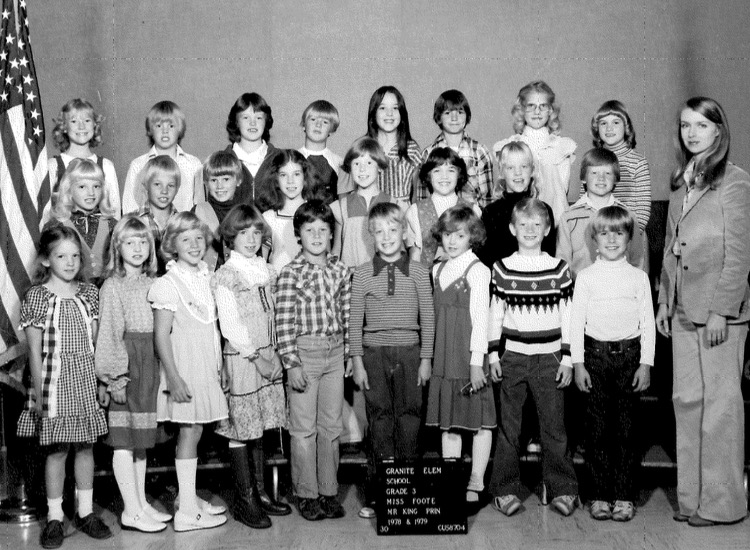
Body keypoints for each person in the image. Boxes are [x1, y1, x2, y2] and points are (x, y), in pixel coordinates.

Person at [656, 96, 750, 527]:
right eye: (685, 126)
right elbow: (672, 249)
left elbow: (739, 255)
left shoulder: (734, 181)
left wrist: (721, 311)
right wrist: (663, 300)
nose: (691, 133)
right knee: (687, 402)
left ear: (718, 130)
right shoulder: (682, 180)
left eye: (700, 125)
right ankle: (692, 500)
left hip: (718, 315)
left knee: (721, 409)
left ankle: (723, 505)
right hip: (680, 309)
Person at [17, 225, 111, 548]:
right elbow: (33, 350)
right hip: (53, 384)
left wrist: (101, 381)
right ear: (45, 259)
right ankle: (55, 516)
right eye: (61, 256)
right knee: (57, 451)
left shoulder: (89, 294)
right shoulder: (38, 297)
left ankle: (86, 512)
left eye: (75, 256)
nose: (70, 262)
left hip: (84, 380)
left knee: (85, 447)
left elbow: (98, 343)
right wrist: (39, 393)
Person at [488, 198, 578, 518]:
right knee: (510, 428)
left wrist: (568, 358)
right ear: (513, 229)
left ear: (547, 229)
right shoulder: (501, 268)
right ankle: (504, 489)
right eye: (523, 224)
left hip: (551, 357)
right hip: (512, 357)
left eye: (537, 224)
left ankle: (563, 489)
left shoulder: (559, 269)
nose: (529, 230)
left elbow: (569, 316)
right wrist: (492, 354)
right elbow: (495, 313)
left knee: (554, 427)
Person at [571, 206, 655, 522]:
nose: (611, 239)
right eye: (604, 233)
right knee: (596, 430)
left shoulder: (639, 277)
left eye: (618, 232)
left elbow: (647, 323)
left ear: (629, 238)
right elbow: (576, 322)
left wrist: (645, 364)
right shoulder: (586, 278)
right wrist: (578, 364)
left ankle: (623, 496)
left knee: (626, 430)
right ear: (594, 238)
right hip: (594, 356)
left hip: (630, 357)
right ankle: (599, 494)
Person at [350, 202, 435, 517]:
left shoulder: (418, 272)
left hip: (410, 353)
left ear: (404, 232)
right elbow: (354, 321)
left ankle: (408, 489)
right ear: (371, 235)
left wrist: (426, 358)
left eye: (393, 229)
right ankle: (379, 493)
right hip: (374, 355)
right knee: (380, 419)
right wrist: (357, 361)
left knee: (410, 417)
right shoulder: (361, 274)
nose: (386, 237)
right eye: (379, 231)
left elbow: (428, 318)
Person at [149, 212, 229, 531]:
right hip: (184, 366)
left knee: (196, 431)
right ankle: (185, 514)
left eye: (199, 238)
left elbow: (214, 328)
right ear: (172, 245)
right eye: (186, 240)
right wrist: (174, 377)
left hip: (206, 363)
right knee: (188, 431)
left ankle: (188, 500)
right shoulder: (168, 284)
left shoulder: (207, 277)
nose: (194, 245)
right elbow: (160, 335)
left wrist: (220, 364)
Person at [212, 204, 290, 529]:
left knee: (260, 427)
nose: (251, 238)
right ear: (231, 236)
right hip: (246, 359)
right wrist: (259, 358)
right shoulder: (226, 275)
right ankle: (245, 500)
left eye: (256, 232)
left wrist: (275, 355)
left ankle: (260, 492)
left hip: (269, 355)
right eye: (243, 232)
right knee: (242, 428)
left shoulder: (268, 271)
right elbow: (230, 326)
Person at [274, 200, 351, 522]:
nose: (317, 236)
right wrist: (292, 364)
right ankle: (306, 494)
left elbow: (347, 314)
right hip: (305, 354)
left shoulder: (340, 270)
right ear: (298, 235)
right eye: (309, 230)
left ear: (332, 234)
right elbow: (283, 322)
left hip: (335, 353)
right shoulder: (290, 274)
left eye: (323, 229)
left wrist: (348, 353)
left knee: (330, 426)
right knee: (303, 429)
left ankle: (328, 491)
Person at [95, 215, 169, 533]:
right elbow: (110, 333)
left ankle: (140, 503)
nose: (137, 248)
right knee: (123, 441)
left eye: (143, 242)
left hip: (150, 363)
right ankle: (130, 509)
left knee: (141, 441)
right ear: (118, 247)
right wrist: (115, 378)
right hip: (127, 364)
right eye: (130, 242)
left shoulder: (156, 284)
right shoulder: (113, 286)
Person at [425, 205, 495, 506]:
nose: (452, 241)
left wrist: (476, 362)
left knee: (478, 421)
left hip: (468, 357)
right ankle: (450, 478)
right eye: (447, 235)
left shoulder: (478, 270)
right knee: (449, 422)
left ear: (472, 237)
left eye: (460, 235)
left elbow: (482, 319)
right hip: (443, 355)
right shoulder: (436, 269)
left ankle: (476, 480)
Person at [494, 81, 576, 225]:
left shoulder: (561, 147)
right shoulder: (511, 146)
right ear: (521, 109)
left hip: (554, 220)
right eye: (531, 106)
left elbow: (563, 188)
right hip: (520, 221)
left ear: (551, 110)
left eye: (543, 106)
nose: (537, 112)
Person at [557, 148, 646, 280]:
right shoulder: (569, 217)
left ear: (616, 178)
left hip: (620, 291)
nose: (601, 178)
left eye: (608, 173)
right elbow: (562, 261)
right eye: (594, 172)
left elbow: (638, 259)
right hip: (581, 292)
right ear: (583, 178)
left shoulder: (628, 215)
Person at [477, 141, 556, 268]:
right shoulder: (490, 212)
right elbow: (485, 258)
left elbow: (549, 254)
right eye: (510, 167)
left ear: (532, 170)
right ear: (502, 172)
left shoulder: (544, 210)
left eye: (524, 166)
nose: (518, 172)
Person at [416, 89, 494, 209]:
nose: (454, 118)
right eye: (447, 113)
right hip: (438, 220)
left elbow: (487, 199)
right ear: (439, 117)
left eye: (460, 112)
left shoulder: (479, 151)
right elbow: (423, 200)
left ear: (467, 116)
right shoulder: (428, 153)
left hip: (471, 220)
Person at [122, 100, 203, 213]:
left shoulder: (193, 164)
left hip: (184, 228)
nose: (165, 131)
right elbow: (129, 207)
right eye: (159, 125)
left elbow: (200, 205)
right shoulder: (138, 165)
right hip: (147, 228)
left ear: (180, 129)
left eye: (171, 126)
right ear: (150, 129)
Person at [46, 158, 117, 286]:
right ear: (68, 189)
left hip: (109, 293)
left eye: (96, 186)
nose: (91, 193)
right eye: (82, 186)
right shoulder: (56, 225)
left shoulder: (113, 224)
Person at [406, 147, 481, 265]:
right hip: (426, 280)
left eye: (451, 170)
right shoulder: (414, 211)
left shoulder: (473, 210)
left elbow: (475, 253)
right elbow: (414, 256)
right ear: (428, 175)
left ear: (459, 174)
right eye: (437, 171)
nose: (444, 176)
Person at [585, 100, 652, 230]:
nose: (609, 128)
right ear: (597, 129)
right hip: (596, 233)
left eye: (616, 122)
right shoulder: (591, 162)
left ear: (626, 127)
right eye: (603, 123)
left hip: (629, 233)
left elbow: (642, 213)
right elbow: (584, 204)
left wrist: (625, 236)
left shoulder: (638, 163)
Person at [49, 98, 121, 217]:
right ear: (64, 127)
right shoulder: (53, 165)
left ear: (95, 125)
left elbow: (115, 210)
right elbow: (46, 211)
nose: (81, 126)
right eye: (74, 121)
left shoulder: (106, 165)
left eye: (87, 120)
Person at [332, 137, 392, 268]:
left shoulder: (394, 204)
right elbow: (336, 250)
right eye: (357, 163)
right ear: (349, 168)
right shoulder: (340, 207)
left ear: (380, 167)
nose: (362, 169)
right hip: (351, 281)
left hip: (383, 281)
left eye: (369, 163)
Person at [263, 149, 325, 272]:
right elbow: (261, 261)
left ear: (305, 177)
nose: (290, 181)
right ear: (275, 179)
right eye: (283, 175)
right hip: (280, 284)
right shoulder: (269, 218)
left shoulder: (317, 213)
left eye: (296, 174)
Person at [365, 85, 421, 210]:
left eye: (395, 108)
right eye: (383, 108)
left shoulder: (412, 150)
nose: (389, 113)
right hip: (371, 214)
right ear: (373, 113)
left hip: (402, 216)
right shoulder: (364, 148)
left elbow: (415, 197)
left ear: (402, 114)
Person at [223, 92, 281, 211]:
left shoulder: (280, 159)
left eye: (259, 117)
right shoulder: (222, 161)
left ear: (266, 122)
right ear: (236, 122)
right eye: (245, 117)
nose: (253, 123)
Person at [193, 151, 244, 271]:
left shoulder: (246, 213)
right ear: (206, 183)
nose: (219, 186)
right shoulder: (198, 211)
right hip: (205, 278)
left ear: (238, 180)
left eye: (226, 179)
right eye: (214, 180)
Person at [136, 155, 181, 275]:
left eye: (170, 185)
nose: (164, 191)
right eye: (157, 184)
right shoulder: (134, 222)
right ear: (146, 185)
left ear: (177, 188)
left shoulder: (182, 223)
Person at [298, 99, 342, 203]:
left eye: (325, 122)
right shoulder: (292, 158)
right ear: (304, 125)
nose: (318, 125)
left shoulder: (339, 162)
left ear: (331, 130)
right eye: (313, 119)